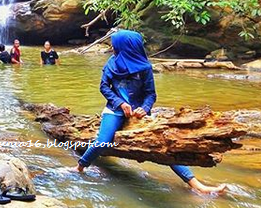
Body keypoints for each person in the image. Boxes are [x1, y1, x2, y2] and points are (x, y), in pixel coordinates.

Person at [73, 30, 227, 194]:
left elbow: (150, 94)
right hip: (114, 110)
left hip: (139, 113)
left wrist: (144, 109)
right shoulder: (111, 63)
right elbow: (104, 87)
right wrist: (119, 103)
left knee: (165, 146)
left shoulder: (145, 67)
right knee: (102, 141)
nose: (112, 47)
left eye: (115, 44)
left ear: (126, 47)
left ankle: (198, 186)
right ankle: (79, 167)